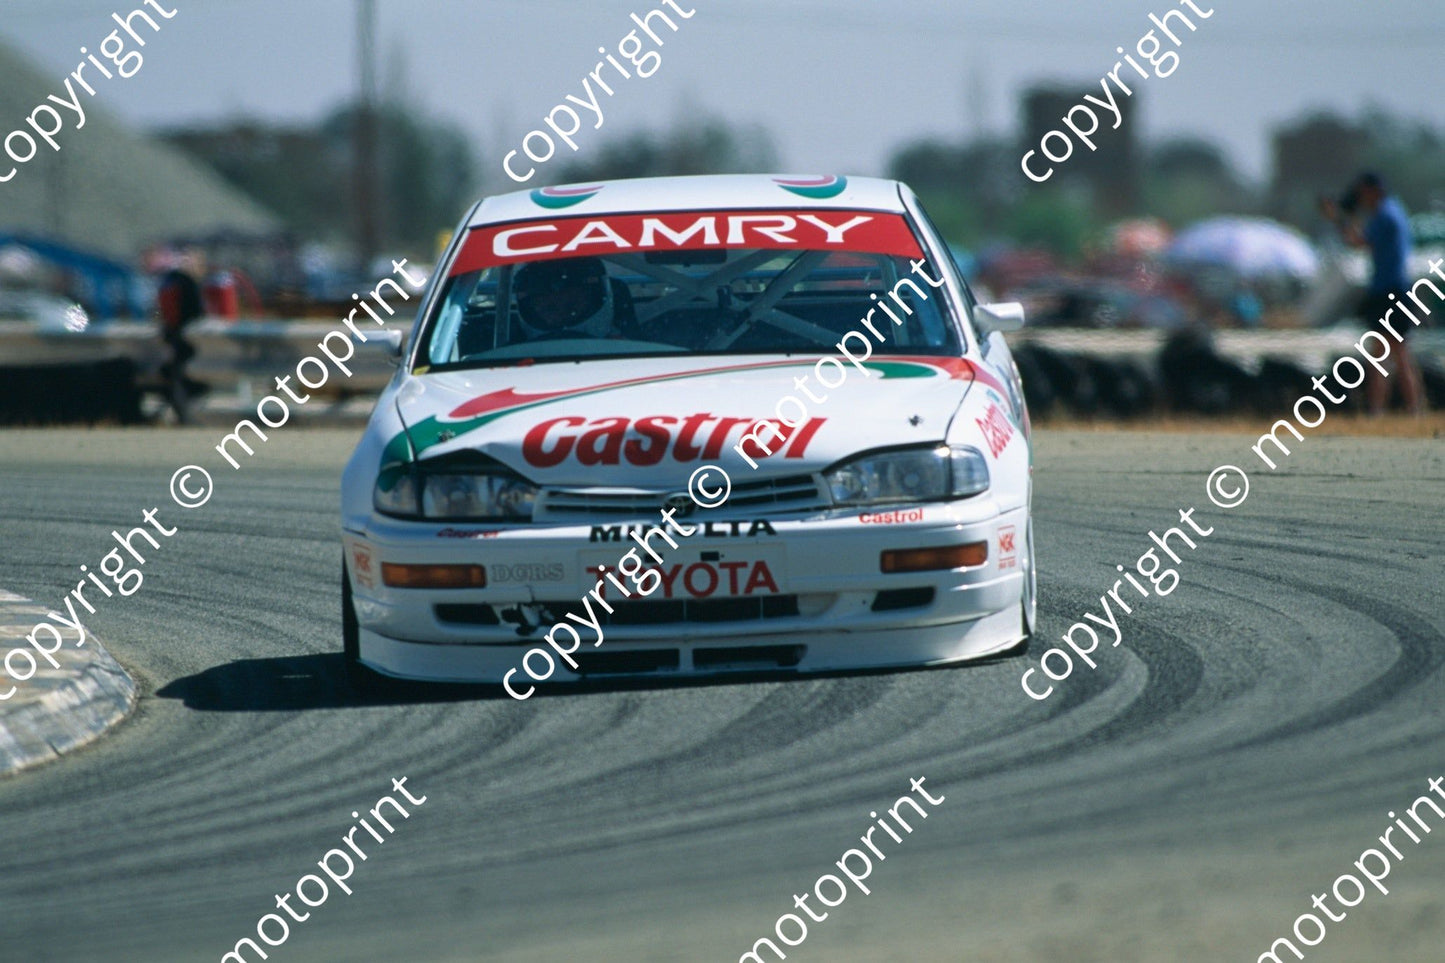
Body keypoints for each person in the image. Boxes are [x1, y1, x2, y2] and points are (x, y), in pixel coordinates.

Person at [1320, 171, 1425, 415]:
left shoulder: (1385, 215)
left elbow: (1357, 241)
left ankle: (1399, 408)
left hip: (1389, 291)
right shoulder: (1395, 210)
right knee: (1387, 352)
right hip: (1394, 290)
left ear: (1371, 191)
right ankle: (1386, 409)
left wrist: (1337, 219)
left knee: (1393, 353)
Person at [155, 251, 206, 422]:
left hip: (171, 335)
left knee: (175, 374)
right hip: (185, 338)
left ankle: (179, 412)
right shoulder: (188, 283)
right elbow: (196, 312)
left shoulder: (169, 281)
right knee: (182, 376)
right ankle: (183, 414)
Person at [513, 257, 616, 340]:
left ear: (594, 302)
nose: (561, 316)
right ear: (532, 312)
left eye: (571, 308)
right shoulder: (509, 358)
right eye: (550, 309)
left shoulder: (625, 352)